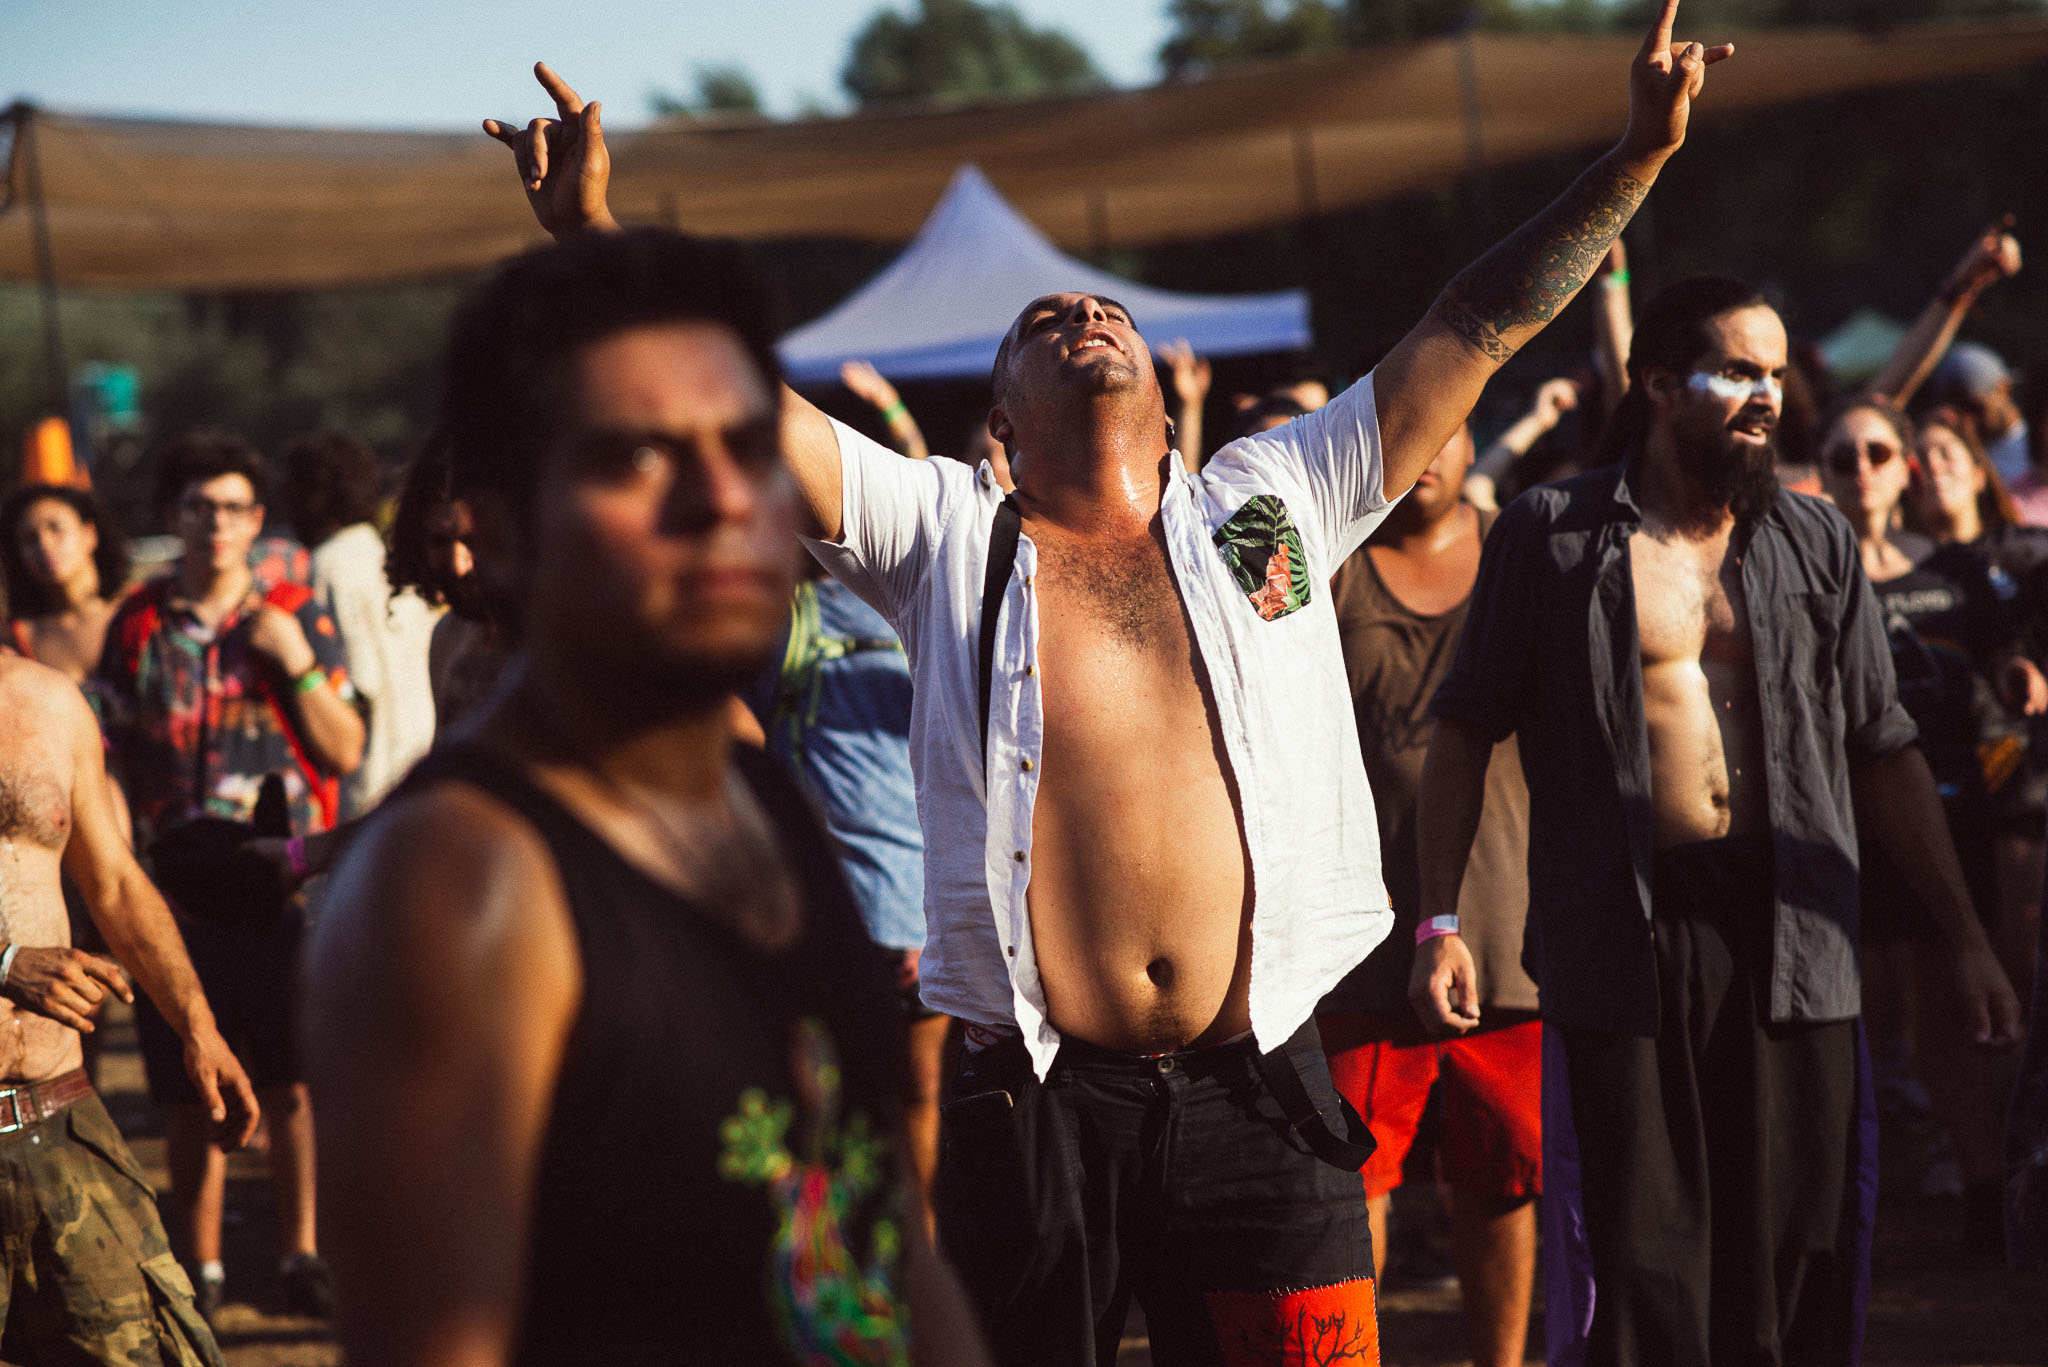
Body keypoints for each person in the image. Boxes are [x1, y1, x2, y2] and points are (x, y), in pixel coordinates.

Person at [478, 5, 1735, 1361]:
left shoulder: (1275, 499)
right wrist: (592, 243)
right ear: (1002, 418)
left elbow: (1476, 321)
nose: (1084, 308)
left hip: (1263, 1092)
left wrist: (1637, 156)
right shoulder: (945, 530)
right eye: (1044, 317)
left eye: (1105, 304)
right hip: (1032, 1103)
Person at [305, 228, 992, 1367]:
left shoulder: (761, 802)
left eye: (746, 445)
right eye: (635, 458)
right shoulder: (461, 884)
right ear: (498, 528)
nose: (720, 496)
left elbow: (886, 1252)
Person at [1416, 275, 2023, 1367]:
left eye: (1775, 372)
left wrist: (1965, 935)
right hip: (1626, 942)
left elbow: (1879, 746)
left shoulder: (1811, 539)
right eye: (1737, 369)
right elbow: (1461, 729)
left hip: (1794, 936)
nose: (1765, 394)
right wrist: (1437, 920)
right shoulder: (1549, 535)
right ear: (1656, 383)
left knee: (1796, 1243)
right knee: (1638, 1255)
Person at [95, 429, 363, 1320]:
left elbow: (345, 746)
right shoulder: (137, 622)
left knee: (292, 1078)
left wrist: (292, 657)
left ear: (258, 521)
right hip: (173, 889)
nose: (215, 523)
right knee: (182, 1084)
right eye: (198, 507)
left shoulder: (296, 611)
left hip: (274, 881)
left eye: (233, 507)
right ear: (174, 519)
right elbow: (108, 751)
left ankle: (301, 1252)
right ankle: (202, 1267)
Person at [1318, 422, 1540, 1367]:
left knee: (1503, 1177)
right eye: (1411, 431)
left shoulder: (1522, 547)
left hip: (1510, 921)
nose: (1430, 456)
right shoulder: (1328, 561)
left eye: (1451, 433)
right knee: (1350, 1180)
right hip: (1364, 932)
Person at [0, 650, 259, 1365]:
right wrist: (4, 963)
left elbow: (114, 880)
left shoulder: (51, 702)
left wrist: (197, 1025)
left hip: (58, 1116)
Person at [282, 430, 439, 817]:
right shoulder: (380, 553)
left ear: (316, 492)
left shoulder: (332, 565)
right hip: (421, 766)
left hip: (373, 780)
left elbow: (353, 684)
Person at [2, 483, 131, 683]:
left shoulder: (142, 612)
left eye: (56, 528)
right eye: (30, 538)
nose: (44, 544)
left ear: (90, 533)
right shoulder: (12, 640)